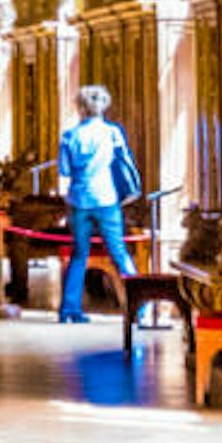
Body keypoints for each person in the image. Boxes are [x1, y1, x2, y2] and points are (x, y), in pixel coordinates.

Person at [53, 85, 140, 324]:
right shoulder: (112, 133)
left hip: (79, 199)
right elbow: (124, 162)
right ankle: (137, 305)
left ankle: (69, 309)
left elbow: (65, 170)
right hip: (106, 198)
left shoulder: (70, 136)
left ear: (81, 107)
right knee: (119, 252)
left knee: (79, 254)